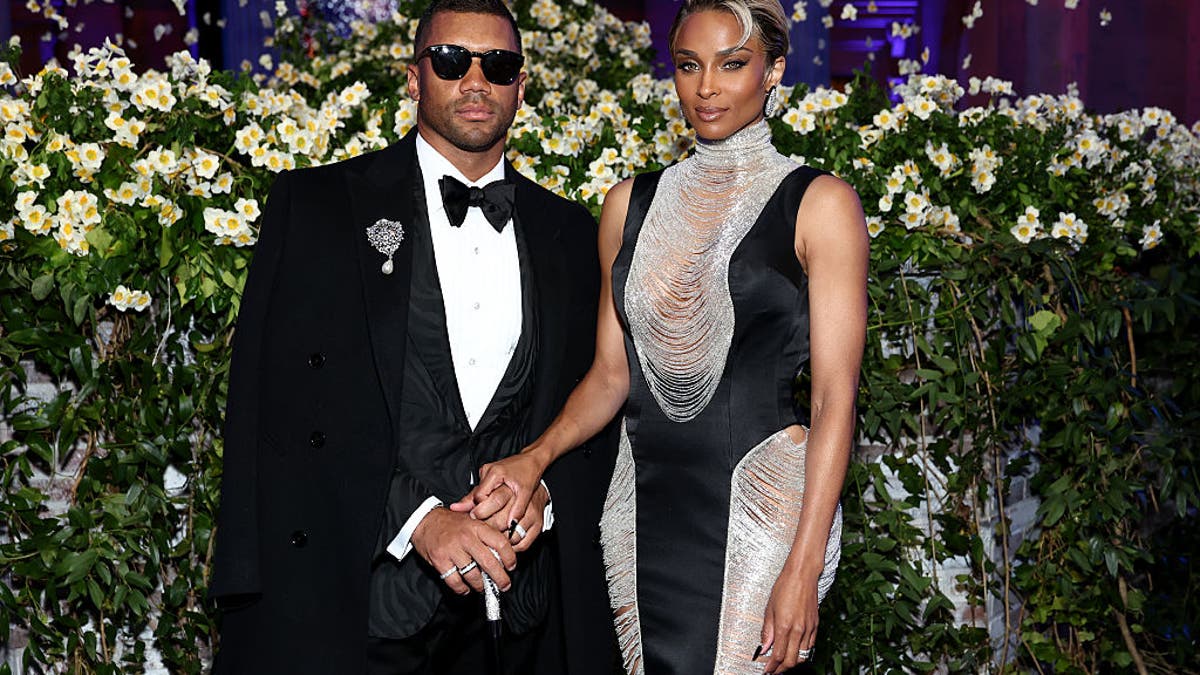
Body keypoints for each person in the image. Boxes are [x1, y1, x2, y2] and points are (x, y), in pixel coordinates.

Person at [454, 0, 868, 673]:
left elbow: (833, 401)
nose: (706, 88)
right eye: (688, 65)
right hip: (641, 507)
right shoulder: (628, 205)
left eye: (732, 64)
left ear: (773, 70)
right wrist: (534, 457)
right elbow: (611, 375)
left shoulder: (820, 204)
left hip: (764, 508)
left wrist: (805, 562)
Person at [207, 0, 616, 673]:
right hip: (358, 604)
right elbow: (286, 410)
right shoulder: (319, 209)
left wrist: (544, 497)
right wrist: (420, 519)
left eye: (498, 65)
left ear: (522, 86)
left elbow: (596, 405)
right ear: (413, 78)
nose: (475, 81)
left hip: (518, 616)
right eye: (451, 61)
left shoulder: (571, 233)